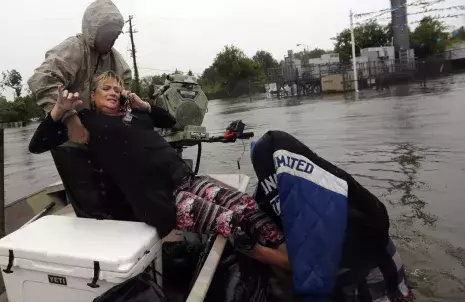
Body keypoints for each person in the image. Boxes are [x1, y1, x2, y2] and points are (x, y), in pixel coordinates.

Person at [29, 71, 284, 249]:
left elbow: (171, 122)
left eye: (117, 89)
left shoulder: (137, 115)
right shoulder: (88, 122)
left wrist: (145, 105)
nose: (113, 93)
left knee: (246, 205)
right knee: (231, 221)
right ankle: (282, 263)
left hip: (186, 180)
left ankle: (286, 248)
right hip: (163, 199)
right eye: (106, 89)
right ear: (93, 96)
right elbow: (37, 145)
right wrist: (60, 110)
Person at [246, 130, 411, 302]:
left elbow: (306, 263)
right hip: (367, 260)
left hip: (372, 277)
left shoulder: (332, 208)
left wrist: (255, 251)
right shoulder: (312, 179)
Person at [27, 0, 133, 219]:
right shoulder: (73, 49)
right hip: (68, 140)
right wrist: (69, 118)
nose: (112, 38)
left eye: (116, 33)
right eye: (107, 32)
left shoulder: (117, 62)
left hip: (99, 136)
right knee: (90, 205)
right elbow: (41, 80)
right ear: (93, 30)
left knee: (116, 195)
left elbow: (125, 94)